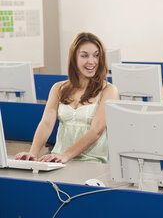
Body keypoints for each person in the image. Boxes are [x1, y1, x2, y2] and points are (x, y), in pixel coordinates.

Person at [15, 32, 118, 163]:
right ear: (74, 58)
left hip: (92, 162)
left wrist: (66, 155)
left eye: (96, 56)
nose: (92, 61)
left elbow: (96, 131)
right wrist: (33, 153)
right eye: (84, 56)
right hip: (58, 160)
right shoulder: (58, 88)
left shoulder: (109, 90)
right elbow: (46, 124)